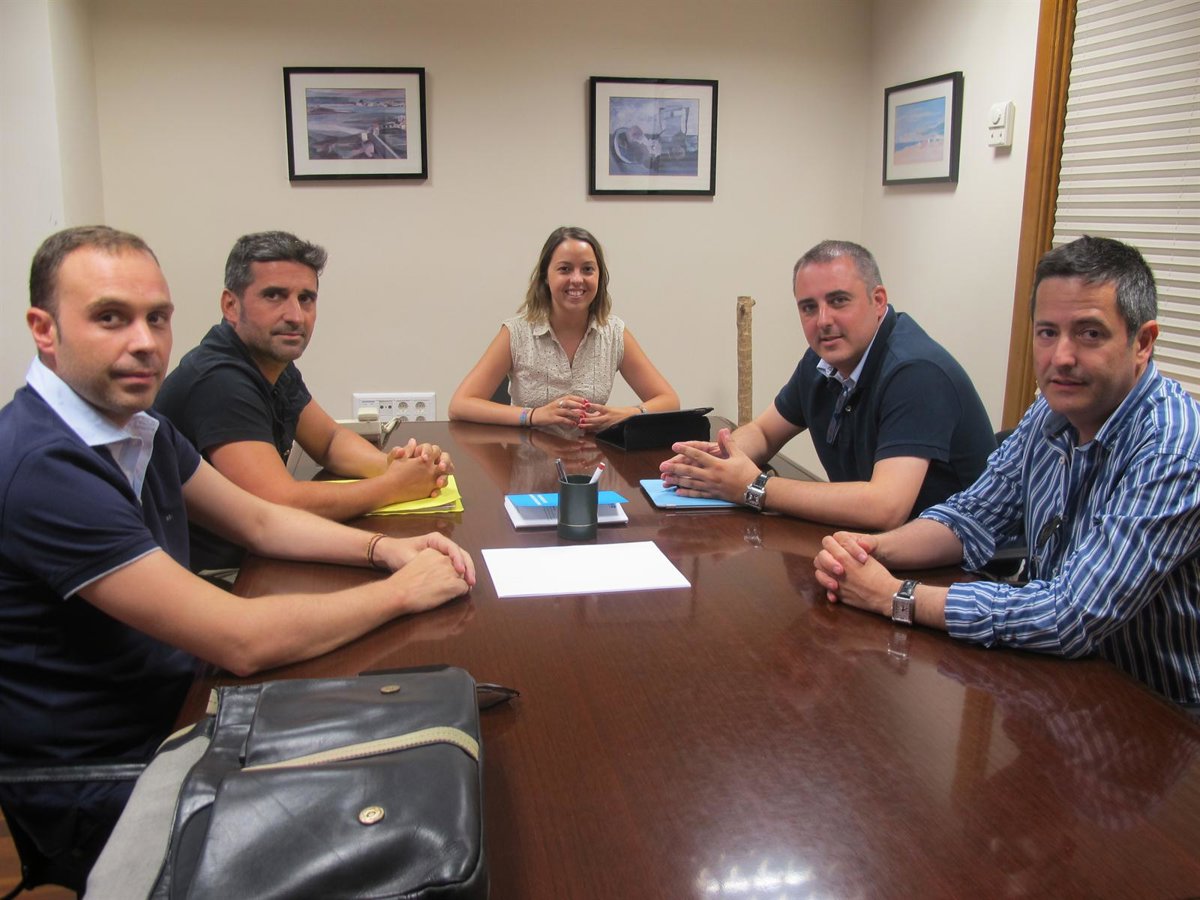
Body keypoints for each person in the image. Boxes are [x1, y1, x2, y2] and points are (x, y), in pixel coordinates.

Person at [0, 226, 476, 883]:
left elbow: (258, 521)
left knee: (414, 737)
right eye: (110, 318)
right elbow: (239, 641)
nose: (145, 342)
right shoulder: (43, 464)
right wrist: (402, 591)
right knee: (392, 806)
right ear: (44, 330)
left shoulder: (138, 428)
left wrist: (384, 549)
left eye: (156, 318)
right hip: (112, 774)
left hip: (182, 703)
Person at [813, 236, 1200, 713]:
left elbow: (1070, 615)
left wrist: (894, 596)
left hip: (1156, 713)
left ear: (1142, 343)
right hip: (1055, 681)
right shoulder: (1052, 412)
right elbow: (971, 516)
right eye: (1047, 332)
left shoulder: (1174, 448)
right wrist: (870, 549)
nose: (1061, 357)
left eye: (1090, 333)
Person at [156, 231, 451, 573]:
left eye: (306, 298)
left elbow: (329, 441)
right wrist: (392, 486)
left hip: (259, 555)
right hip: (213, 575)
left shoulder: (268, 361)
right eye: (274, 296)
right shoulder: (218, 380)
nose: (295, 315)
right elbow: (278, 503)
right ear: (230, 306)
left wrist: (395, 465)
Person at [660, 240, 995, 529]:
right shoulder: (821, 361)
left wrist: (753, 486)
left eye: (838, 301)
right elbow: (764, 432)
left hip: (961, 567)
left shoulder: (916, 371)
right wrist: (722, 460)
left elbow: (885, 507)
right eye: (809, 307)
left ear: (878, 301)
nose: (823, 321)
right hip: (871, 544)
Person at [447, 225, 679, 433]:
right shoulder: (516, 333)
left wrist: (628, 414)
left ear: (599, 277)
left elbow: (669, 400)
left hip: (590, 461)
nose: (577, 279)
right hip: (528, 460)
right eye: (565, 269)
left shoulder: (614, 333)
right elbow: (459, 405)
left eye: (587, 269)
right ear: (545, 277)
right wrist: (533, 415)